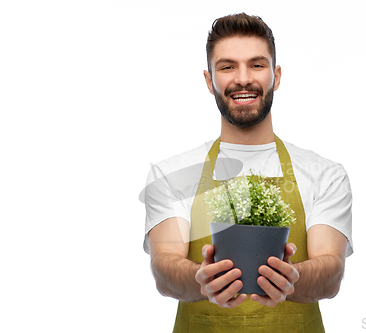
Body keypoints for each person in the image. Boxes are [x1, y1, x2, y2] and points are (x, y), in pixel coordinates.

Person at [143, 13, 353, 332]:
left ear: (276, 76)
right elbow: (164, 266)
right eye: (227, 67)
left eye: (256, 64)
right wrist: (200, 281)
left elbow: (331, 271)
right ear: (209, 80)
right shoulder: (172, 174)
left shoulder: (324, 174)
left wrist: (293, 280)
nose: (243, 78)